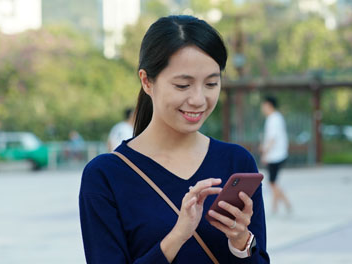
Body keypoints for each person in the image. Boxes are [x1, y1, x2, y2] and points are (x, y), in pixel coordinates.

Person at [79, 15, 269, 263]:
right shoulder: (105, 175)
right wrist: (178, 236)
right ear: (147, 81)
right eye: (182, 85)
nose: (199, 99)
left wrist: (241, 242)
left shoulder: (237, 162)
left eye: (211, 83)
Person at [260, 96, 292, 215]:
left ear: (268, 105)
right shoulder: (276, 117)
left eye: (263, 106)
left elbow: (272, 138)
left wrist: (265, 152)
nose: (262, 109)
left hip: (276, 155)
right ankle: (275, 207)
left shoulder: (273, 119)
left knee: (272, 182)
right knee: (273, 182)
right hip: (279, 154)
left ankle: (286, 203)